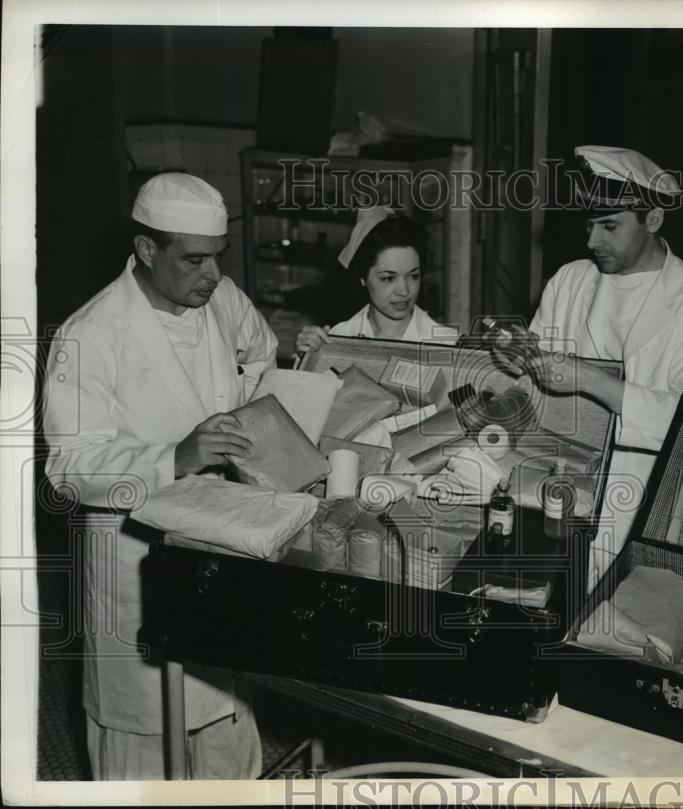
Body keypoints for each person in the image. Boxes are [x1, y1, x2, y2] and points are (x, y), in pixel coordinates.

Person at [43, 173, 277, 779]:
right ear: (147, 251)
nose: (213, 275)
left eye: (217, 258)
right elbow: (68, 468)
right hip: (134, 557)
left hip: (222, 535)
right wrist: (173, 458)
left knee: (225, 721)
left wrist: (247, 426)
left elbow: (262, 352)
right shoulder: (90, 335)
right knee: (144, 743)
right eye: (194, 260)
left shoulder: (221, 302)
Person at [526, 145, 683, 588]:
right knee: (547, 606)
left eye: (609, 226)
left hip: (647, 491)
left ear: (654, 219)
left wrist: (589, 380)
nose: (592, 242)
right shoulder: (570, 280)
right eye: (589, 225)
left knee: (617, 624)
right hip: (560, 478)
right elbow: (535, 387)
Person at [296, 209, 458, 350]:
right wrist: (308, 360)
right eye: (388, 278)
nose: (404, 291)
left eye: (413, 276)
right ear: (363, 278)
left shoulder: (447, 343)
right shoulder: (336, 339)